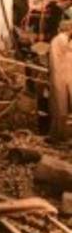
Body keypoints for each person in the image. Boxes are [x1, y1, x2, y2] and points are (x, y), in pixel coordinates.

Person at [48, 11, 72, 142]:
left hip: (62, 75)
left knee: (60, 107)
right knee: (60, 107)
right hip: (62, 75)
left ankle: (60, 135)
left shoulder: (59, 40)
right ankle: (59, 135)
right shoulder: (61, 40)